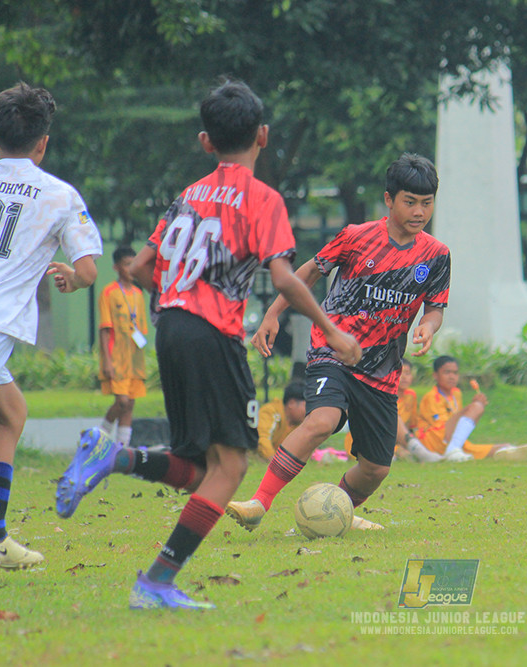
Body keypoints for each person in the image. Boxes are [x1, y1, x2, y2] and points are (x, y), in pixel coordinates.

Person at [54, 79, 360, 610]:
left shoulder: (187, 196)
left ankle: (114, 457)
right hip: (211, 333)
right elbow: (285, 277)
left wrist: (176, 297)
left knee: (198, 467)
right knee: (233, 468)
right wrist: (332, 331)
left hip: (171, 327)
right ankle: (155, 582)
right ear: (262, 135)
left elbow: (143, 267)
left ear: (205, 141)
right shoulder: (261, 199)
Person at [224, 152, 450, 534]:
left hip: (381, 371)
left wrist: (428, 326)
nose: (419, 212)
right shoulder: (356, 237)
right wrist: (273, 314)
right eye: (409, 202)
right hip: (335, 353)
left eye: (426, 203)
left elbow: (435, 307)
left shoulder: (437, 255)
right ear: (389, 200)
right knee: (322, 421)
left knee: (376, 468)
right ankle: (259, 502)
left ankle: (334, 511)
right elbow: (308, 273)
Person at [0, 82, 101, 568]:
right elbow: (89, 270)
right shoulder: (59, 196)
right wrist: (72, 278)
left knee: (9, 413)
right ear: (43, 142)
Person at [416, 355, 527, 462]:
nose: (452, 377)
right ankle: (453, 449)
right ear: (435, 375)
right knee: (477, 407)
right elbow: (440, 427)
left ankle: (509, 450)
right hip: (435, 440)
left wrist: (471, 410)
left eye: (455, 373)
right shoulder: (432, 397)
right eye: (447, 372)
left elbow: (460, 423)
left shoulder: (456, 393)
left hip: (452, 439)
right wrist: (472, 408)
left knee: (487, 448)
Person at [97, 245, 148, 447]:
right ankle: (99, 438)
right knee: (122, 402)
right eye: (127, 265)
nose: (131, 269)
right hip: (116, 358)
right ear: (117, 267)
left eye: (133, 264)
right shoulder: (109, 293)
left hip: (134, 358)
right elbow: (104, 329)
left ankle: (121, 449)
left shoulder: (138, 293)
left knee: (131, 404)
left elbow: (140, 329)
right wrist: (107, 361)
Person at [342, 358, 439, 462]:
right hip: (367, 440)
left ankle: (415, 449)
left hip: (396, 442)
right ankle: (417, 450)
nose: (404, 377)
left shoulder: (411, 396)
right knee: (393, 416)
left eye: (407, 373)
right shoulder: (379, 395)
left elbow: (411, 426)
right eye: (399, 372)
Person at [257, 381, 306, 461]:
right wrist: (275, 462)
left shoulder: (298, 422)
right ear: (291, 403)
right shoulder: (270, 412)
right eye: (306, 406)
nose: (309, 411)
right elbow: (262, 439)